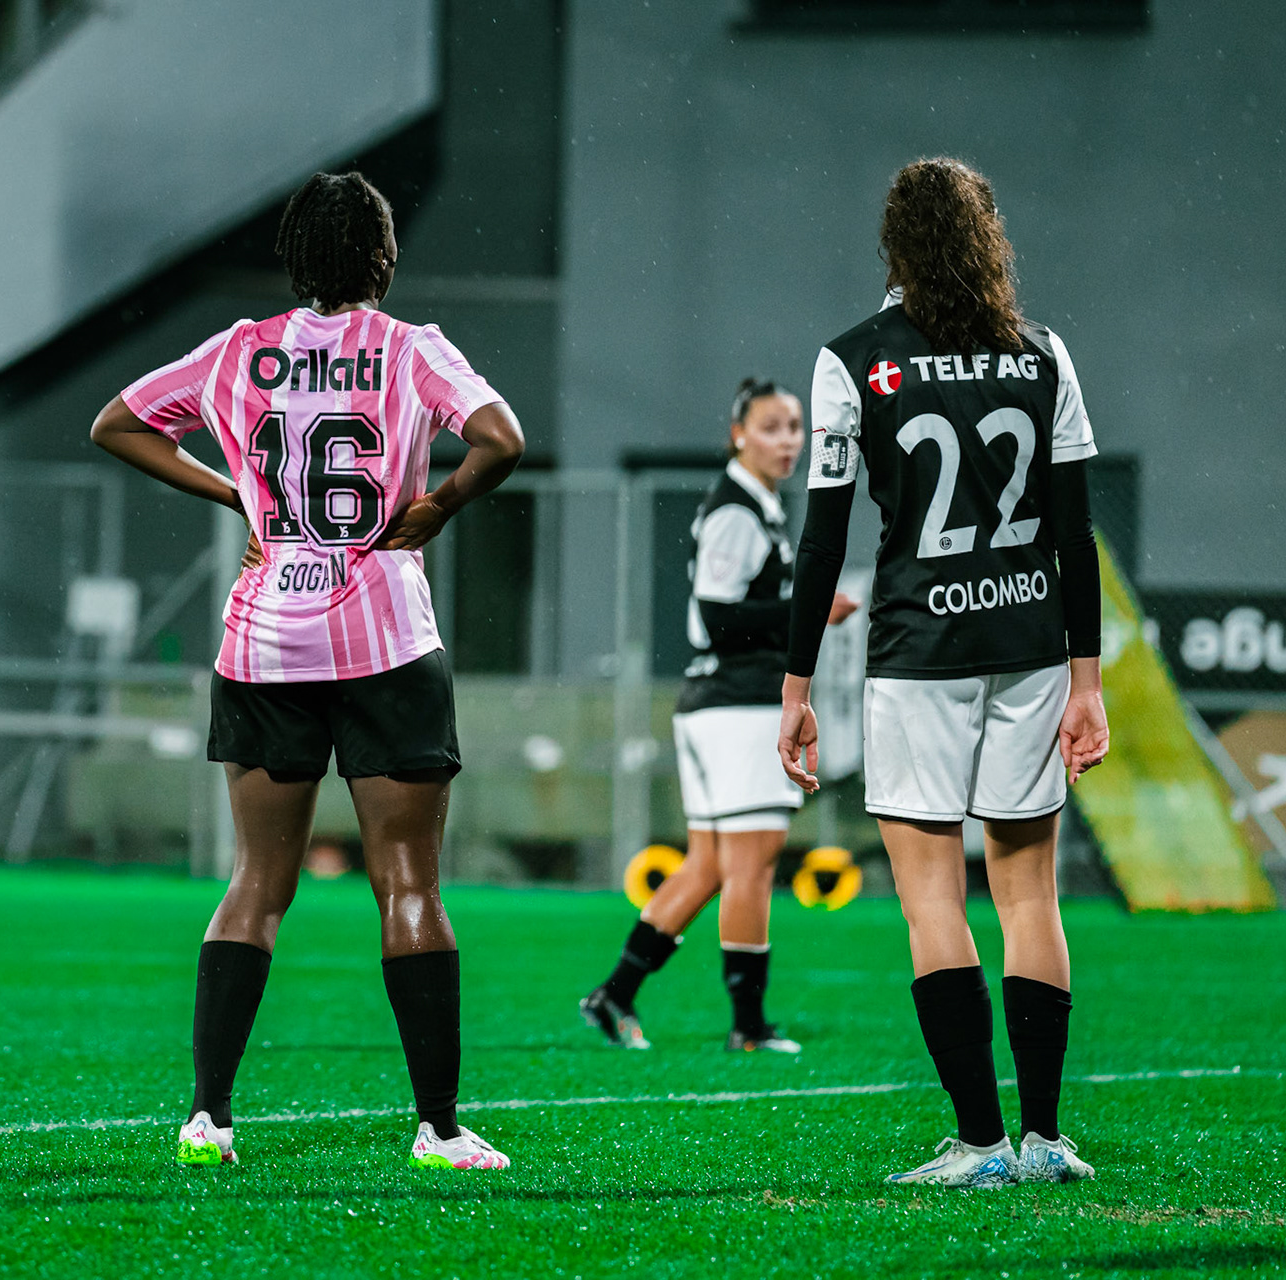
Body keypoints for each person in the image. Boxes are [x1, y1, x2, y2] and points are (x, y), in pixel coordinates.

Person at [90, 171, 524, 1172]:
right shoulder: (411, 349)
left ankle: (208, 1116)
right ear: (382, 256)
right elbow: (501, 441)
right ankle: (440, 1127)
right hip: (384, 642)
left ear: (293, 257)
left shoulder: (241, 349)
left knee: (256, 881)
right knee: (407, 882)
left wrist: (234, 492)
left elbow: (116, 422)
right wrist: (443, 503)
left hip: (265, 642)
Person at [778, 158, 1110, 1188]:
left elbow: (823, 539)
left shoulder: (854, 359)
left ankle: (979, 1143)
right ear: (986, 237)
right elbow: (1075, 533)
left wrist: (795, 690)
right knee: (1029, 894)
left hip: (920, 649)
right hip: (1029, 645)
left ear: (895, 246)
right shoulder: (1042, 353)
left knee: (932, 896)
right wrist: (1086, 680)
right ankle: (1049, 1136)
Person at [581, 379, 857, 1054]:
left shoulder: (753, 503)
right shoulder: (737, 508)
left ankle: (613, 995)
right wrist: (809, 612)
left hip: (713, 704)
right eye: (770, 426)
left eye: (795, 426)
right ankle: (750, 1027)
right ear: (738, 433)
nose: (788, 439)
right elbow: (718, 618)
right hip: (737, 704)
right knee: (751, 868)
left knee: (705, 866)